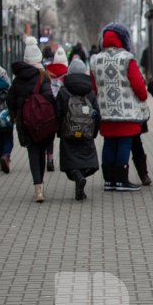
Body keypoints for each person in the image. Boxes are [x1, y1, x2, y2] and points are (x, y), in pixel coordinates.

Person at [90, 22, 149, 192]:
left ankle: (109, 180)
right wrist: (143, 97)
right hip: (127, 111)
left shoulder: (95, 60)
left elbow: (93, 86)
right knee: (124, 143)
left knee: (109, 143)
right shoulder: (127, 58)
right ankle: (122, 180)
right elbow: (138, 86)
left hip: (105, 112)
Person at [7, 36, 57, 202]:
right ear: (38, 59)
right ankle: (40, 188)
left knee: (33, 154)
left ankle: (37, 188)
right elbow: (50, 97)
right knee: (42, 152)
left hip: (26, 122)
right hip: (43, 123)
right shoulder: (43, 76)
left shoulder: (17, 79)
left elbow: (10, 100)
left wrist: (15, 116)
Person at [55, 59, 100, 201]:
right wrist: (94, 133)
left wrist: (59, 131)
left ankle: (78, 179)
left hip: (68, 132)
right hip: (86, 132)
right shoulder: (90, 92)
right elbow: (97, 114)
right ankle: (79, 185)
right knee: (84, 160)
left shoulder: (63, 91)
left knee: (71, 161)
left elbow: (57, 113)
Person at [45, 47, 70, 171]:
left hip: (50, 107)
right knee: (65, 134)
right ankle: (66, 160)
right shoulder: (68, 73)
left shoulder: (47, 72)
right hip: (64, 108)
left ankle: (49, 158)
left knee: (50, 135)